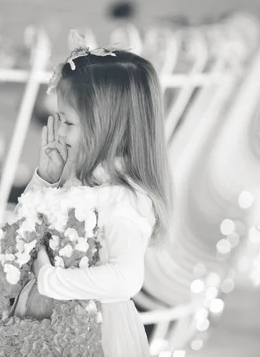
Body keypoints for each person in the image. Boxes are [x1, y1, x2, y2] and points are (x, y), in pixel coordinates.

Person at [13, 38, 172, 356]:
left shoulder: (121, 200)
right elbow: (24, 227)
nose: (60, 132)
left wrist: (49, 279)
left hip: (89, 332)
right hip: (46, 320)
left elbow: (125, 279)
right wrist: (46, 178)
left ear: (106, 127)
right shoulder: (80, 181)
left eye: (68, 123)